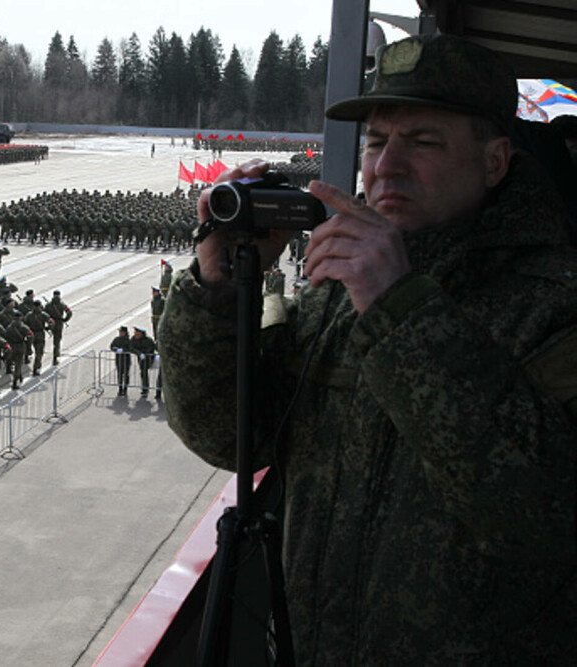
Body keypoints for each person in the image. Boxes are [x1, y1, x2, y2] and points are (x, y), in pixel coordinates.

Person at [158, 34, 577, 662]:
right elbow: (228, 434)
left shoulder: (555, 302)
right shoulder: (341, 288)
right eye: (377, 142)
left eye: (424, 142)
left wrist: (398, 310)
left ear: (494, 162)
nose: (386, 167)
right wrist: (220, 294)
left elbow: (540, 514)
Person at [109, 326, 131, 396]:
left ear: (125, 333)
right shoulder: (117, 339)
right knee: (119, 374)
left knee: (126, 374)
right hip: (119, 359)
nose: (120, 333)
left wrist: (123, 350)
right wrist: (116, 349)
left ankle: (125, 389)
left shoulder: (128, 340)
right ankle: (120, 388)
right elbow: (112, 346)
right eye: (120, 332)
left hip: (126, 360)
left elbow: (131, 348)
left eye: (122, 332)